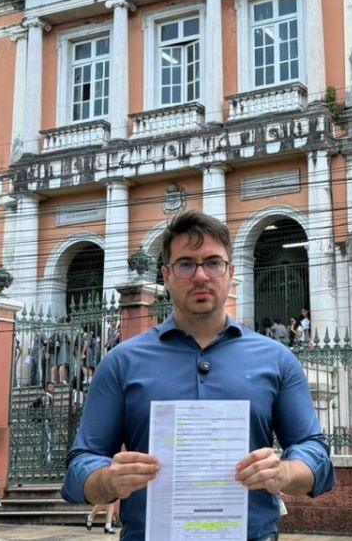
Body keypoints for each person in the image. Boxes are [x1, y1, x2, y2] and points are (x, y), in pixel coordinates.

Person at [62, 210, 335, 541]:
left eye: (213, 263)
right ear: (166, 275)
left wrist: (285, 471)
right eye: (185, 264)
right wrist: (106, 480)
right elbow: (79, 469)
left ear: (230, 271)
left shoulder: (277, 360)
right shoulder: (121, 362)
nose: (201, 275)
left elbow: (315, 454)